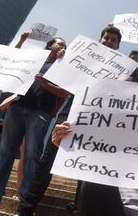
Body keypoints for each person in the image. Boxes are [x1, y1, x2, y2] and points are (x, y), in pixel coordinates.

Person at [16, 25, 123, 216]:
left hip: (98, 121)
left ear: (117, 46)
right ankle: (25, 209)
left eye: (113, 40)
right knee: (47, 162)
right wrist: (63, 58)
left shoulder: (121, 71)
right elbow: (63, 82)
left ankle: (80, 208)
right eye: (106, 37)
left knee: (87, 167)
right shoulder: (78, 57)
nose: (108, 41)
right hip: (70, 115)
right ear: (99, 40)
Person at [0, 34, 68, 210]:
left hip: (41, 112)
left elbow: (64, 94)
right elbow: (7, 62)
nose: (64, 47)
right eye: (61, 44)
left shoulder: (62, 69)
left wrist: (44, 82)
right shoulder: (32, 60)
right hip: (17, 108)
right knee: (5, 151)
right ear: (50, 45)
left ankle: (26, 201)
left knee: (32, 154)